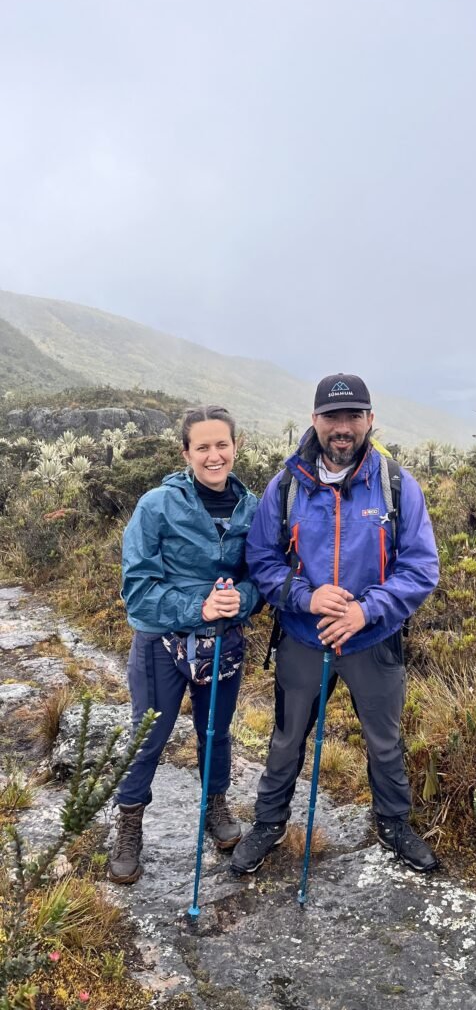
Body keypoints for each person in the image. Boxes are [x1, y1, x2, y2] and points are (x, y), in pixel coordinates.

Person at [230, 373, 440, 876]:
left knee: (384, 740)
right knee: (285, 738)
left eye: (352, 416)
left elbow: (421, 566)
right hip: (303, 638)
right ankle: (269, 821)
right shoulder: (285, 486)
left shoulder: (396, 484)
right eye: (332, 417)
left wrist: (364, 611)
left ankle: (392, 822)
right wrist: (306, 596)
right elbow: (261, 559)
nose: (342, 428)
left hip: (374, 640)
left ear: (370, 420)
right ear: (314, 420)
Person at [109, 405, 260, 884]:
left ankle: (215, 807)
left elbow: (261, 576)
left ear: (235, 447)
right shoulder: (156, 505)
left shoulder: (252, 508)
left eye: (222, 445)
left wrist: (242, 600)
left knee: (216, 731)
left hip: (224, 643)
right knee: (148, 735)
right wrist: (201, 606)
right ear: (186, 452)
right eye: (203, 447)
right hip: (161, 645)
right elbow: (137, 590)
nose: (214, 456)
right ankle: (129, 824)